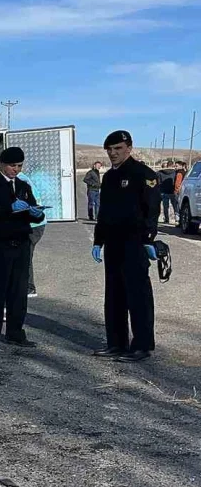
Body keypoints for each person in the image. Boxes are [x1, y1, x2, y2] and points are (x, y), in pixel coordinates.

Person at [92, 130, 159, 362]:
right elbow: (104, 212)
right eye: (109, 150)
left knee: (138, 297)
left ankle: (142, 346)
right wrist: (98, 240)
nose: (113, 153)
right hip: (113, 243)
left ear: (129, 148)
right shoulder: (109, 177)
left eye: (118, 148)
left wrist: (148, 240)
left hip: (135, 243)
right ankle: (116, 344)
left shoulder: (144, 174)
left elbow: (152, 211)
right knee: (114, 296)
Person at [0, 147, 44, 350]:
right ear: (2, 164)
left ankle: (15, 333)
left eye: (20, 166)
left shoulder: (22, 185)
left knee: (18, 292)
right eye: (13, 165)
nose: (16, 170)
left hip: (20, 243)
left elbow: (31, 208)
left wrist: (36, 214)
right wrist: (8, 209)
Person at [17, 172, 48, 297]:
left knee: (25, 255)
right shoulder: (22, 178)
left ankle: (29, 287)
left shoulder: (20, 181)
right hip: (36, 225)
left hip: (32, 226)